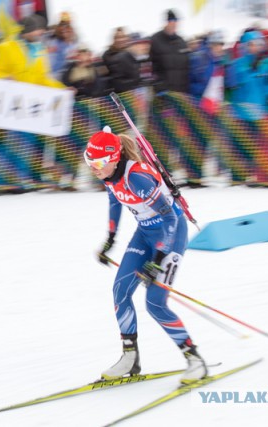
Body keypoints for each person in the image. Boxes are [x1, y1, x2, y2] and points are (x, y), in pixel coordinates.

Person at [84, 126, 206, 384]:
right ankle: (130, 356)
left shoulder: (136, 178)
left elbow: (171, 217)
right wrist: (110, 239)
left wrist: (158, 260)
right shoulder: (110, 175)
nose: (92, 167)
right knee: (120, 291)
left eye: (96, 162)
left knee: (155, 303)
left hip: (171, 236)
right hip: (146, 233)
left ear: (113, 159)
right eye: (88, 160)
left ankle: (194, 359)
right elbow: (116, 201)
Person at [149, 9, 190, 94]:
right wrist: (158, 85)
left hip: (180, 93)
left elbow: (187, 68)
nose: (173, 23)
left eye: (175, 21)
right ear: (166, 22)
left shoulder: (182, 42)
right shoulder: (155, 40)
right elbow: (150, 66)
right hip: (163, 93)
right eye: (170, 21)